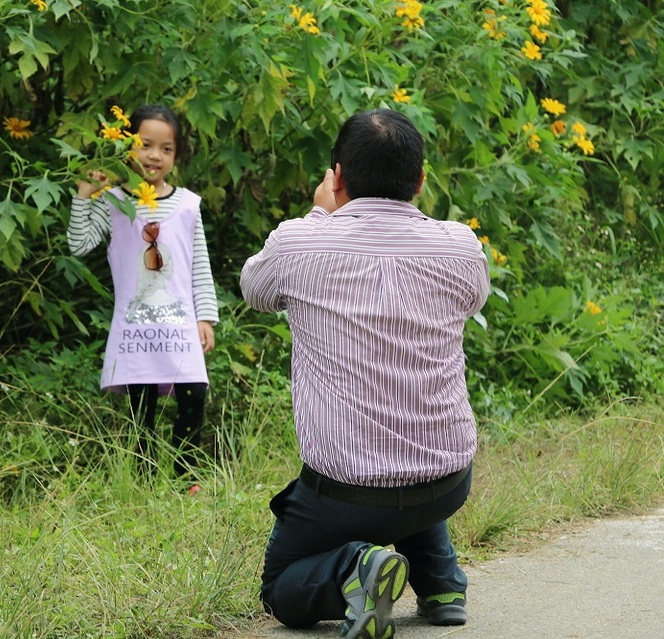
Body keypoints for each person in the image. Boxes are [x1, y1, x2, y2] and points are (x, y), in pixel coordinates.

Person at [240, 108, 489, 639]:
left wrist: (318, 215)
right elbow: (475, 299)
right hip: (447, 482)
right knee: (409, 439)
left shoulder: (299, 242)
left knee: (280, 584)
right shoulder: (462, 246)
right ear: (420, 181)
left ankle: (356, 569)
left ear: (337, 177)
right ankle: (441, 584)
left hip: (344, 495)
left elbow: (254, 291)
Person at [68, 105, 218, 481]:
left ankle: (187, 478)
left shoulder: (187, 205)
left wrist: (205, 317)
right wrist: (84, 196)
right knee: (142, 405)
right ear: (128, 147)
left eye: (166, 149)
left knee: (192, 397)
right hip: (136, 329)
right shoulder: (116, 203)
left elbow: (199, 264)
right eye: (146, 144)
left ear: (176, 155)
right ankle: (144, 477)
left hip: (180, 323)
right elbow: (80, 244)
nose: (155, 156)